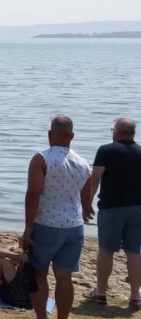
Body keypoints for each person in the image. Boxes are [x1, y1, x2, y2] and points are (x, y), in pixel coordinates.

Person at [23, 115, 92, 319]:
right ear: (72, 136)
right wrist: (85, 210)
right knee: (64, 277)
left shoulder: (41, 159)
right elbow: (86, 196)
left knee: (39, 274)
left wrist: (28, 227)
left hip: (46, 223)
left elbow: (33, 193)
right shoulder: (82, 162)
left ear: (49, 134)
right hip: (73, 225)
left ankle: (42, 318)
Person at [85, 117, 141, 309]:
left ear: (116, 132)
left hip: (112, 207)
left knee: (106, 250)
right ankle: (135, 296)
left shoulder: (106, 150)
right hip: (137, 208)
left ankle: (100, 293)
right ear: (133, 133)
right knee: (134, 251)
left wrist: (87, 202)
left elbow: (95, 178)